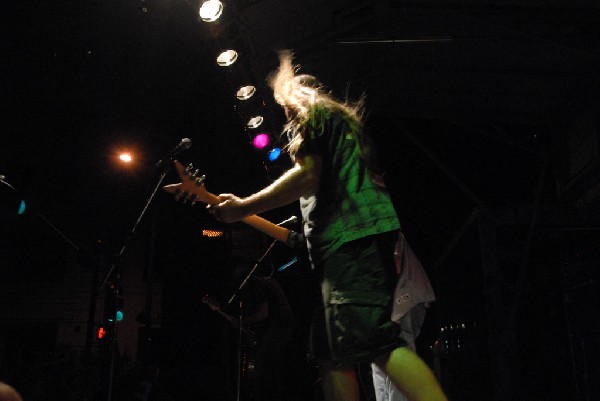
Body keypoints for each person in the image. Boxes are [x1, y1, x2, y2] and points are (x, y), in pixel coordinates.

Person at [206, 51, 447, 401]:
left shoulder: (316, 116)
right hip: (343, 248)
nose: (285, 118)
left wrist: (243, 206)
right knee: (330, 356)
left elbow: (307, 174)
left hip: (352, 242)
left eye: (284, 108)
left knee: (378, 344)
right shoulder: (340, 129)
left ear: (293, 100)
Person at [205, 266, 295, 401]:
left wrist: (244, 323)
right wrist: (219, 311)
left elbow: (263, 314)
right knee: (266, 367)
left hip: (279, 326)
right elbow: (241, 323)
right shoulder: (257, 284)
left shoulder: (257, 282)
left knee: (263, 367)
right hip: (278, 326)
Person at [371, 232, 436, 401]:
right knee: (380, 362)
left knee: (397, 354)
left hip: (398, 300)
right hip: (388, 304)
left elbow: (393, 265)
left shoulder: (379, 227)